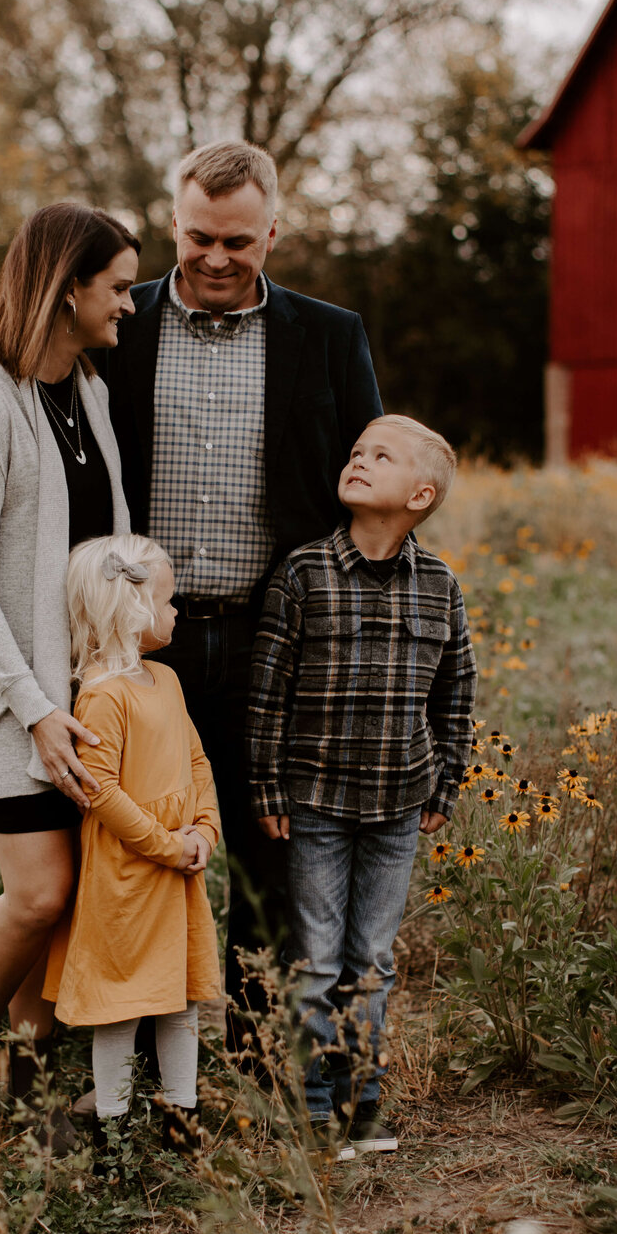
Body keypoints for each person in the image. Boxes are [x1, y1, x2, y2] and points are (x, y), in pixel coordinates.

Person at [97, 140, 382, 1055]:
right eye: (196, 237)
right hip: (143, 640)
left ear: (272, 231)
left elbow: (367, 481)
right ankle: (135, 1054)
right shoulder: (115, 324)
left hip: (273, 633)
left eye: (237, 241)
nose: (215, 258)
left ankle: (258, 1052)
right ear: (171, 223)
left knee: (271, 847)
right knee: (143, 848)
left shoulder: (330, 335)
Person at [0, 203, 140, 1144]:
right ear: (67, 290)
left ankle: (32, 1049)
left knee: (73, 898)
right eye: (120, 286)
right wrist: (35, 710)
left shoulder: (87, 390)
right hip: (10, 698)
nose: (131, 304)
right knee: (41, 894)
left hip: (85, 695)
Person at [246, 416, 477, 1154]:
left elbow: (457, 691)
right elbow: (267, 693)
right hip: (314, 799)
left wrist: (445, 786)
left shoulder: (439, 585)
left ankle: (362, 1100)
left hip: (398, 805)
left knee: (372, 960)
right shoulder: (304, 573)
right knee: (316, 957)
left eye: (380, 456)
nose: (357, 461)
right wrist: (267, 787)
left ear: (420, 493)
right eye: (355, 452)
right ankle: (313, 1101)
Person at [42, 533, 221, 1157]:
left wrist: (203, 828)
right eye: (169, 602)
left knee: (179, 999)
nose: (177, 613)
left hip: (176, 870)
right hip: (129, 873)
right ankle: (112, 1133)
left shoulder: (166, 680)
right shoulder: (101, 694)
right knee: (121, 1005)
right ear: (133, 607)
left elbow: (197, 759)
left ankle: (182, 1119)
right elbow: (99, 791)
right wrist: (166, 845)